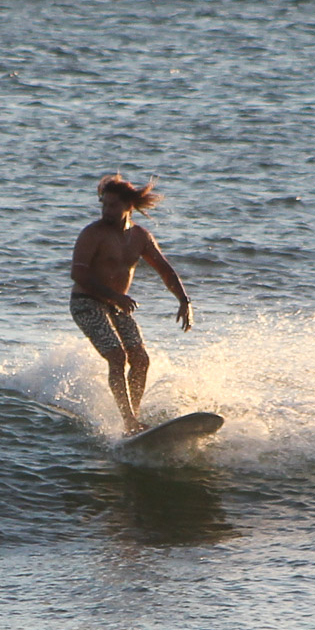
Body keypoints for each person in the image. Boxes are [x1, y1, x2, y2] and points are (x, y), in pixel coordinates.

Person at [69, 173, 193, 434]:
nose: (107, 210)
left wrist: (184, 300)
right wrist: (115, 297)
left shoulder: (140, 237)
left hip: (116, 305)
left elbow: (165, 270)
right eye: (104, 204)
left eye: (113, 205)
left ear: (129, 206)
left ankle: (133, 418)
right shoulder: (93, 234)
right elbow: (78, 274)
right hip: (86, 302)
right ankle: (129, 421)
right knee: (117, 356)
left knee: (140, 359)